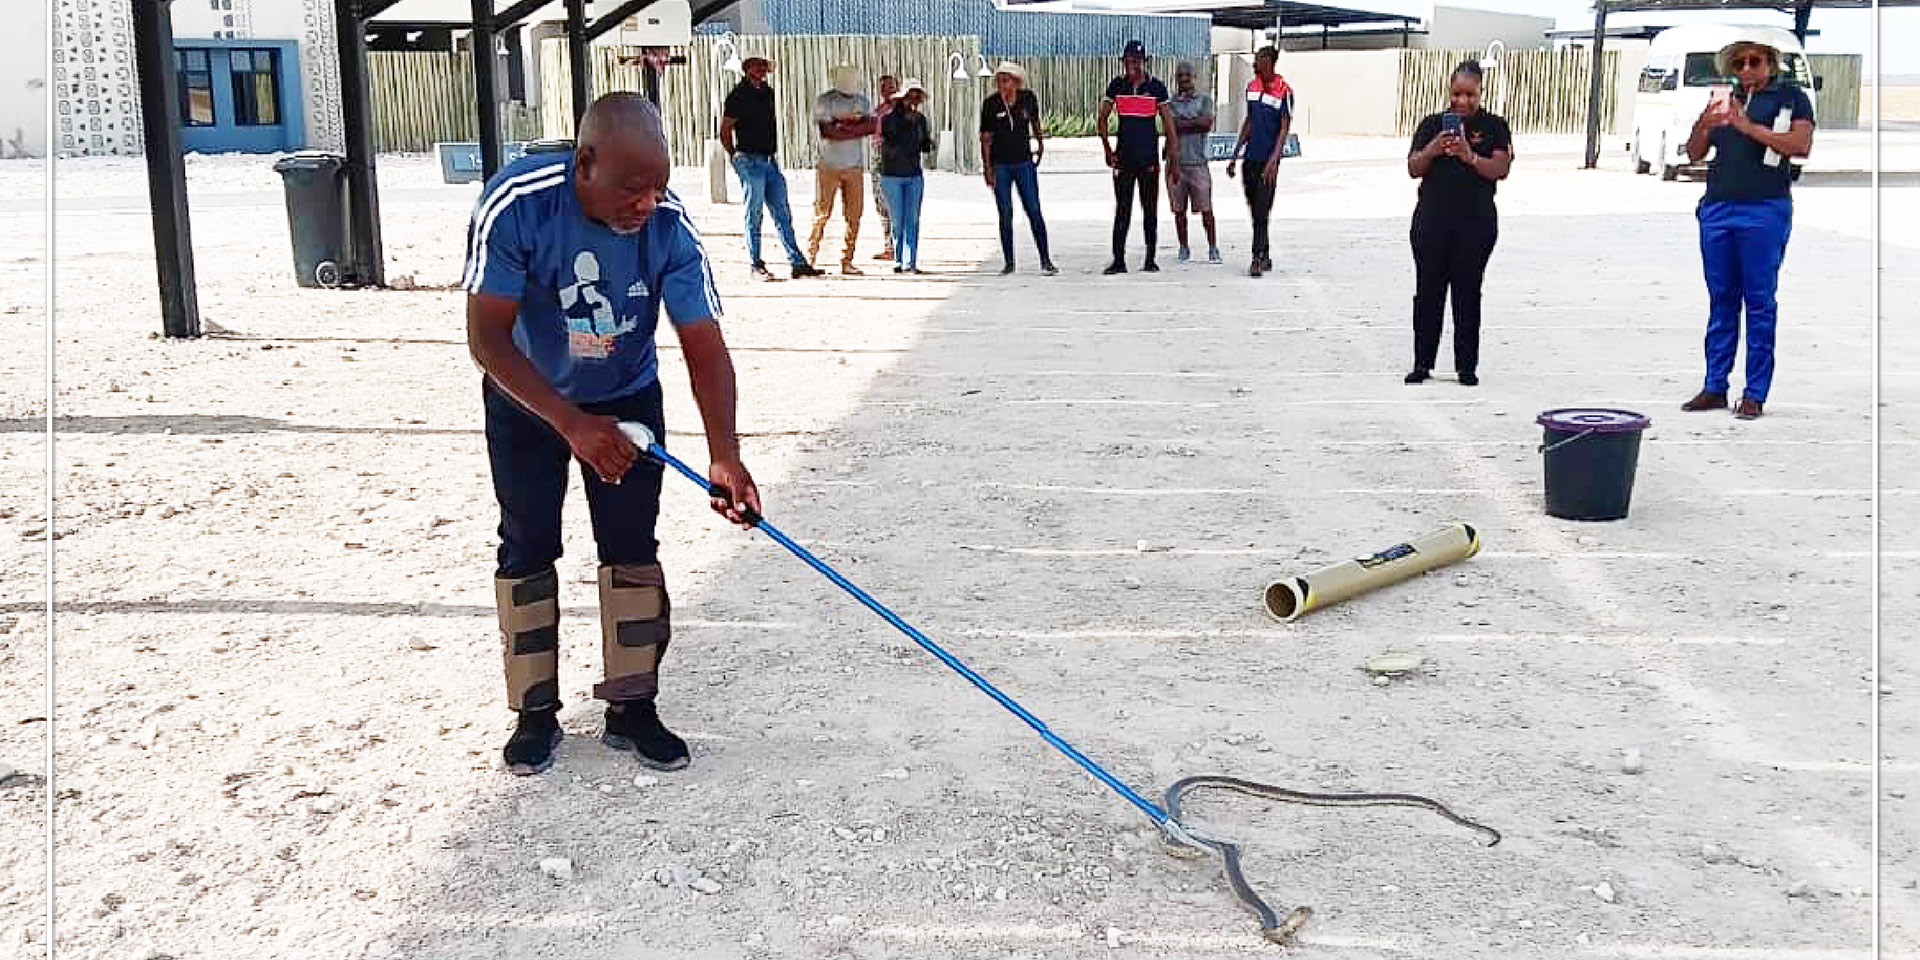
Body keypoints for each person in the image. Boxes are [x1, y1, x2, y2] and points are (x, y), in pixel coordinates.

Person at [462, 93, 763, 777]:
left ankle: (633, 706)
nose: (646, 203)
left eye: (658, 186)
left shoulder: (669, 227)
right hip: (529, 397)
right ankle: (535, 712)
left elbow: (704, 346)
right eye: (632, 187)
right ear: (585, 163)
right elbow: (487, 339)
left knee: (631, 546)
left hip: (626, 396)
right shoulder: (518, 203)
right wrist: (569, 423)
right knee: (528, 541)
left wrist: (725, 455)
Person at [1681, 36, 1814, 421]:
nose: (1746, 70)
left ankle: (1755, 392)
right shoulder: (1727, 99)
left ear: (1770, 64)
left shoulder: (1790, 99)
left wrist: (1747, 126)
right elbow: (1694, 153)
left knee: (1759, 301)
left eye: (1754, 62)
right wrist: (1704, 124)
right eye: (1738, 64)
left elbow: (1799, 145)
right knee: (1721, 298)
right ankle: (1714, 385)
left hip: (1764, 208)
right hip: (1719, 206)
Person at [1404, 60, 1511, 387]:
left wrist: (1470, 156)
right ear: (1448, 92)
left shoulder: (1494, 126)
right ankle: (1422, 363)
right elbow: (1413, 167)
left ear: (1480, 93)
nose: (1463, 101)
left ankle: (1466, 367)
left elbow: (1502, 168)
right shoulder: (1430, 124)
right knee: (1428, 294)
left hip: (1475, 224)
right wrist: (1434, 149)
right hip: (1431, 222)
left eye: (1470, 95)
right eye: (1457, 94)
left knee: (1467, 293)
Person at [720, 55, 824, 281]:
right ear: (747, 70)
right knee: (754, 213)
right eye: (757, 66)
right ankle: (755, 264)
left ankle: (797, 262)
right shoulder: (738, 95)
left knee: (782, 212)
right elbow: (725, 128)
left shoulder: (767, 92)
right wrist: (734, 156)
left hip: (768, 159)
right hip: (749, 158)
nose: (762, 70)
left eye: (764, 67)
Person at [1098, 40, 1179, 275]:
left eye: (1137, 61)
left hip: (1148, 158)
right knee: (1122, 208)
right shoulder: (1117, 85)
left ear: (1145, 62)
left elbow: (1168, 122)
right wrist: (1107, 149)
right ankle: (1118, 260)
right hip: (1123, 156)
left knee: (1150, 208)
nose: (1132, 66)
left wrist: (1172, 154)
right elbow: (1102, 118)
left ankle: (1150, 258)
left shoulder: (1156, 88)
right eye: (1128, 61)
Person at [979, 60, 1057, 276]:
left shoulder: (1027, 99)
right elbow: (985, 138)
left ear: (1016, 82)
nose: (1002, 85)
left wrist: (1040, 143)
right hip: (1001, 164)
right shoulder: (991, 104)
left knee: (1033, 209)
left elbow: (1035, 121)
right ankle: (1009, 261)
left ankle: (1045, 259)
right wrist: (987, 167)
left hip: (1023, 161)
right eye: (999, 81)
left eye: (1006, 80)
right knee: (1005, 212)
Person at [1226, 47, 1292, 278]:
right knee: (1256, 211)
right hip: (1250, 158)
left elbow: (1284, 128)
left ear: (1270, 62)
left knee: (1262, 210)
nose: (1255, 65)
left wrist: (1274, 161)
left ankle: (1256, 258)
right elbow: (1250, 121)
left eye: (1259, 61)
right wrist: (1235, 155)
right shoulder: (1251, 87)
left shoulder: (1284, 91)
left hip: (1268, 161)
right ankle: (1265, 252)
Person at [809, 65, 877, 275]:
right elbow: (827, 131)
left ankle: (847, 259)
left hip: (853, 166)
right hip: (829, 165)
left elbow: (872, 126)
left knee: (854, 215)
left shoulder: (862, 101)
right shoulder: (825, 101)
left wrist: (842, 126)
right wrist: (854, 128)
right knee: (822, 213)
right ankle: (810, 256)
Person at [1166, 61, 1219, 265]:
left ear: (1194, 76)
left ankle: (1213, 247)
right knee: (1179, 210)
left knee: (1206, 209)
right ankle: (1183, 247)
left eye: (1187, 75)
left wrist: (1180, 124)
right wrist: (1191, 123)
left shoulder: (1205, 100)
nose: (1184, 79)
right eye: (1180, 75)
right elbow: (1170, 126)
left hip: (1198, 162)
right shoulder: (1170, 104)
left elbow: (1205, 123)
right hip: (1176, 162)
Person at [879, 79, 933, 274]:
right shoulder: (888, 118)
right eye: (911, 94)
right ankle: (898, 259)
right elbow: (890, 142)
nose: (914, 99)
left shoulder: (920, 120)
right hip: (892, 174)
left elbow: (924, 146)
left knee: (912, 219)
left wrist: (925, 139)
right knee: (897, 219)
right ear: (902, 98)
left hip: (913, 173)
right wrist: (906, 125)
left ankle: (911, 261)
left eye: (917, 95)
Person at [870, 74, 900, 262]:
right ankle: (889, 245)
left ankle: (898, 244)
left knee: (895, 202)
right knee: (880, 202)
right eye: (883, 88)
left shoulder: (902, 110)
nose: (886, 91)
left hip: (895, 159)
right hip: (877, 156)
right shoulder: (878, 110)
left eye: (890, 87)